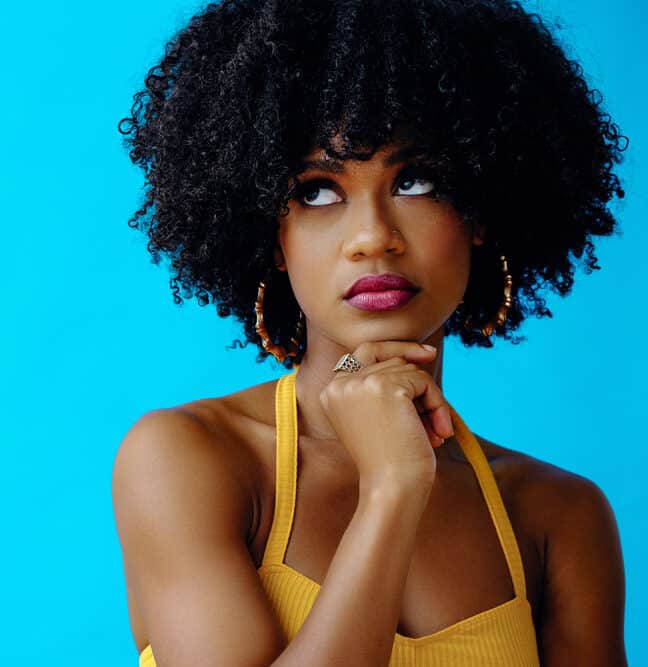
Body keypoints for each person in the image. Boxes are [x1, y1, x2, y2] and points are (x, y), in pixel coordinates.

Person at [111, 0, 630, 665]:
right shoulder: (189, 460)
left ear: (479, 206)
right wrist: (390, 489)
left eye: (416, 179)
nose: (373, 237)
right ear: (274, 233)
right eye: (319, 191)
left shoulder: (558, 515)